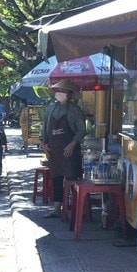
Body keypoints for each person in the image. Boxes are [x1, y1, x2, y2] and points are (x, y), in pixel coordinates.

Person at [39, 79, 87, 218]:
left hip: (70, 150)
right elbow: (44, 128)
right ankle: (56, 209)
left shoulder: (75, 110)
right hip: (54, 150)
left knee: (72, 179)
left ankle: (77, 208)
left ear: (69, 94)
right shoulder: (50, 109)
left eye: (63, 91)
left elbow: (82, 130)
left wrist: (73, 143)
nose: (59, 93)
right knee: (56, 179)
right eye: (58, 91)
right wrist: (43, 143)